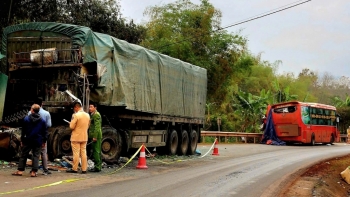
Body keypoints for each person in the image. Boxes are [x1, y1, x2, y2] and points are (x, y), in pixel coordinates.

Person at [12, 104, 47, 177]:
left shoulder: (26, 119)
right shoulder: (42, 120)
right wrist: (44, 141)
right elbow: (44, 132)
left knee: (24, 154)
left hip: (28, 139)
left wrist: (22, 139)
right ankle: (33, 172)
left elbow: (23, 131)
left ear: (32, 110)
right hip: (38, 140)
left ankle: (20, 171)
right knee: (36, 156)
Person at [28, 97, 52, 175]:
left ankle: (34, 169)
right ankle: (45, 169)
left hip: (32, 135)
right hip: (41, 136)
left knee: (34, 153)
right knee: (43, 152)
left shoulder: (29, 113)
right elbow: (49, 125)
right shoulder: (46, 113)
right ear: (42, 104)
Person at [66, 102, 90, 173]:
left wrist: (70, 123)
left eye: (74, 108)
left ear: (76, 107)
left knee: (76, 153)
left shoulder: (75, 115)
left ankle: (75, 168)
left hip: (76, 137)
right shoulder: (87, 115)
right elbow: (88, 126)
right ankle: (84, 169)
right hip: (84, 136)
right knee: (83, 153)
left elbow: (72, 127)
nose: (74, 110)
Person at [88, 103, 102, 172]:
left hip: (96, 136)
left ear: (95, 108)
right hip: (93, 135)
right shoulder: (92, 114)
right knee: (95, 151)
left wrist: (95, 136)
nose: (89, 108)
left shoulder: (96, 115)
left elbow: (97, 127)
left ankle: (97, 167)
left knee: (96, 151)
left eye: (91, 107)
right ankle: (98, 166)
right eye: (89, 107)